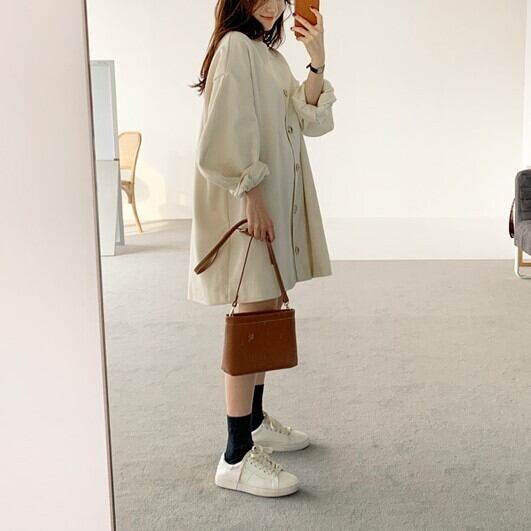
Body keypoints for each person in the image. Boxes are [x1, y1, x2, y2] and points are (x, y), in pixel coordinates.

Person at [187, 0, 337, 497]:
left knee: (265, 308)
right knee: (250, 318)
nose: (272, 6)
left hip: (273, 201)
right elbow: (225, 133)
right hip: (252, 203)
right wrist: (251, 194)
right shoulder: (235, 47)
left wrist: (317, 59)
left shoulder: (268, 57)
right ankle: (234, 456)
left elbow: (309, 121)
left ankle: (252, 423)